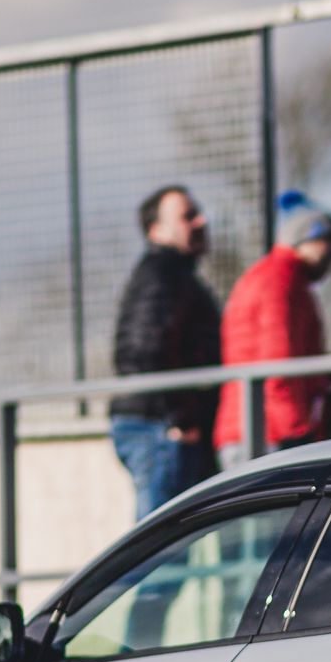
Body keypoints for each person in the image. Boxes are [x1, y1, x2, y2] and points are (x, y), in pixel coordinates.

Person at [109, 185, 221, 518]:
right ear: (156, 230)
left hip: (159, 426)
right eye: (187, 216)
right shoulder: (162, 274)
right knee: (160, 560)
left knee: (169, 555)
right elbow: (140, 351)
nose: (201, 221)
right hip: (157, 427)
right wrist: (178, 417)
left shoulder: (174, 274)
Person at [216, 190, 331, 457]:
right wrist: (297, 434)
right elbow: (277, 367)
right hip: (265, 435)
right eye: (330, 245)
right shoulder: (280, 281)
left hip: (258, 430)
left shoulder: (280, 277)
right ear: (310, 239)